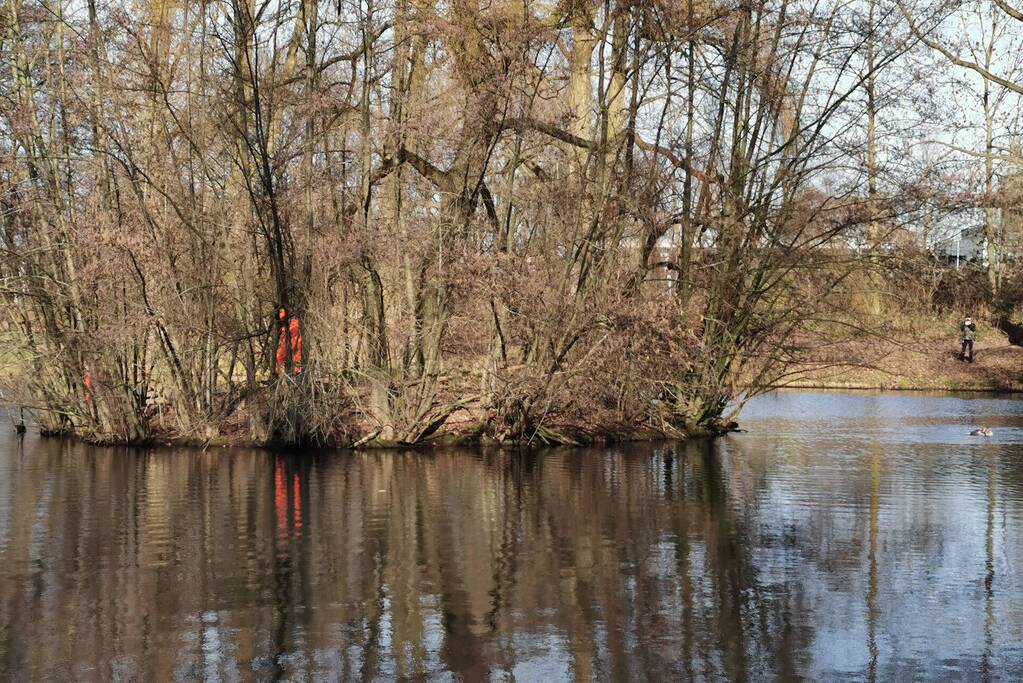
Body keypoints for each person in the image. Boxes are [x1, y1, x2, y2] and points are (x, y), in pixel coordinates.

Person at [275, 307, 302, 375]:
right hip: (288, 341)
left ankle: (297, 370)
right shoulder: (285, 326)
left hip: (294, 341)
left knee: (296, 354)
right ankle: (277, 371)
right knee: (279, 355)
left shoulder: (294, 323)